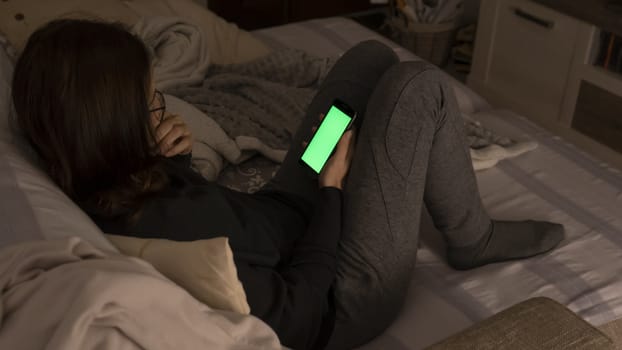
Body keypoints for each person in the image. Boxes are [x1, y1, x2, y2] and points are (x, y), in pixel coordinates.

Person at [11, 19, 564, 350]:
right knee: (416, 87)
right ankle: (473, 237)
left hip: (286, 209)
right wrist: (331, 190)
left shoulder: (102, 171)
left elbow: (213, 215)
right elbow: (299, 312)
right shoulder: (160, 224)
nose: (161, 109)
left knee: (366, 64)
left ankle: (360, 155)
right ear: (109, 122)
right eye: (151, 102)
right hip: (344, 287)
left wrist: (167, 155)